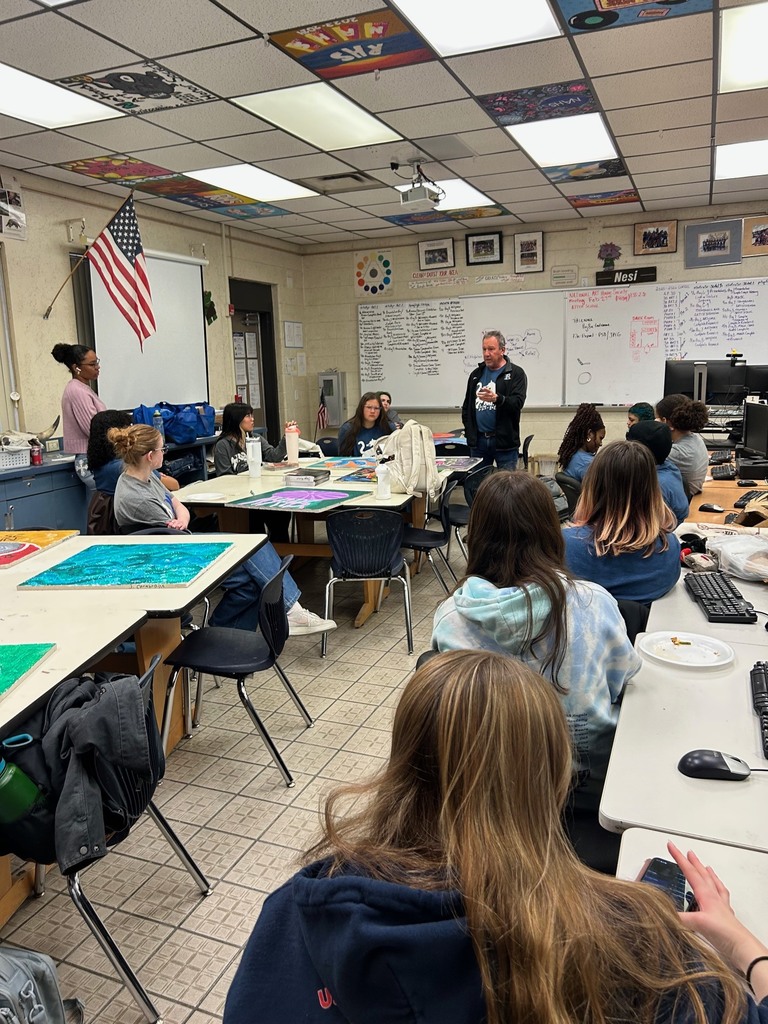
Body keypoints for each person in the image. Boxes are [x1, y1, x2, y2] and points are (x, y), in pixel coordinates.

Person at [223, 649, 768, 1024]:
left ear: (403, 762)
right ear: (553, 778)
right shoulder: (633, 946)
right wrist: (744, 947)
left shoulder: (294, 912)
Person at [431, 471, 640, 861]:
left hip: (488, 799)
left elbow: (448, 709)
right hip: (591, 793)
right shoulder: (594, 601)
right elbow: (622, 681)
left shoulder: (450, 617)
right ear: (551, 532)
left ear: (477, 536)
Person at [108, 424, 335, 635]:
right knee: (253, 567)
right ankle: (285, 611)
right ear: (150, 456)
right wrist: (181, 519)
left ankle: (228, 632)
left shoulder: (147, 476)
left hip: (177, 541)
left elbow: (176, 503)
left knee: (255, 556)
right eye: (162, 449)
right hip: (170, 556)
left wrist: (182, 517)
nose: (164, 453)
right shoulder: (137, 498)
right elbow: (177, 532)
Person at [563, 440, 681, 604]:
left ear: (593, 486)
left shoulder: (565, 545)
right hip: (651, 628)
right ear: (653, 491)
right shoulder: (670, 548)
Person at [462, 330, 527, 469]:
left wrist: (498, 399)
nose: (486, 353)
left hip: (505, 443)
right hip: (478, 443)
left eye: (491, 349)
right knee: (478, 485)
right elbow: (467, 407)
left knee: (506, 487)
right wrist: (470, 432)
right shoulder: (476, 374)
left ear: (502, 350)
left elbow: (517, 403)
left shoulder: (516, 373)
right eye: (484, 349)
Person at [51, 343, 106, 485]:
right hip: (89, 459)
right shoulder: (77, 391)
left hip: (93, 456)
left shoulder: (82, 388)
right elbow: (92, 429)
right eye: (92, 364)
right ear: (77, 368)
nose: (97, 367)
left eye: (97, 362)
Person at [627, 419, 689, 525]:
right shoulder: (668, 467)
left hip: (666, 534)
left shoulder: (655, 484)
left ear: (641, 451)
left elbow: (648, 527)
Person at [656, 394, 710, 496]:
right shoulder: (696, 439)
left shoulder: (675, 452)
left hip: (683, 502)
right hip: (689, 496)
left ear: (667, 422)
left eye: (657, 420)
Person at [212, 402, 287, 475]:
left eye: (252, 415)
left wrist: (287, 436)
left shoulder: (256, 438)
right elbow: (225, 477)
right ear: (236, 419)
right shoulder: (223, 445)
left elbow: (274, 457)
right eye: (248, 416)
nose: (252, 419)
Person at [557, 402, 605, 482]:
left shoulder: (572, 455)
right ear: (590, 434)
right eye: (600, 438)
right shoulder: (587, 463)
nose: (601, 444)